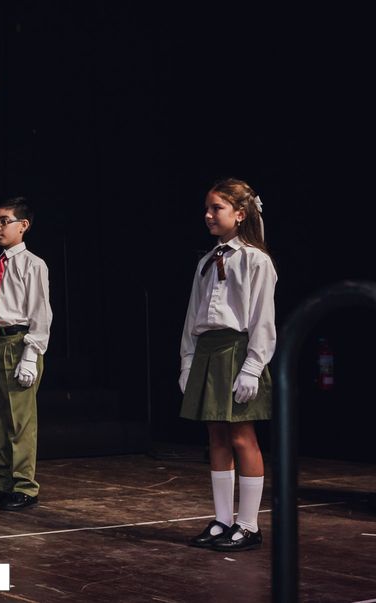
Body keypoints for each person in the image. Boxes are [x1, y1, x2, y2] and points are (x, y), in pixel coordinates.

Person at [179, 178, 276, 552]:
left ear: (240, 214)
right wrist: (188, 360)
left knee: (241, 436)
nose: (208, 214)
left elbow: (262, 318)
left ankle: (248, 525)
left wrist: (253, 366)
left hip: (237, 351)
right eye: (206, 208)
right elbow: (192, 317)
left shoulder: (255, 260)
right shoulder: (206, 261)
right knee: (216, 436)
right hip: (208, 351)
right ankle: (222, 520)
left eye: (216, 208)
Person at [0, 197, 52, 511]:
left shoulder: (33, 264)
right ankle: (2, 483)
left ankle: (24, 486)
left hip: (19, 342)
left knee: (19, 421)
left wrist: (31, 354)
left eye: (5, 221)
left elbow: (40, 312)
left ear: (23, 225)